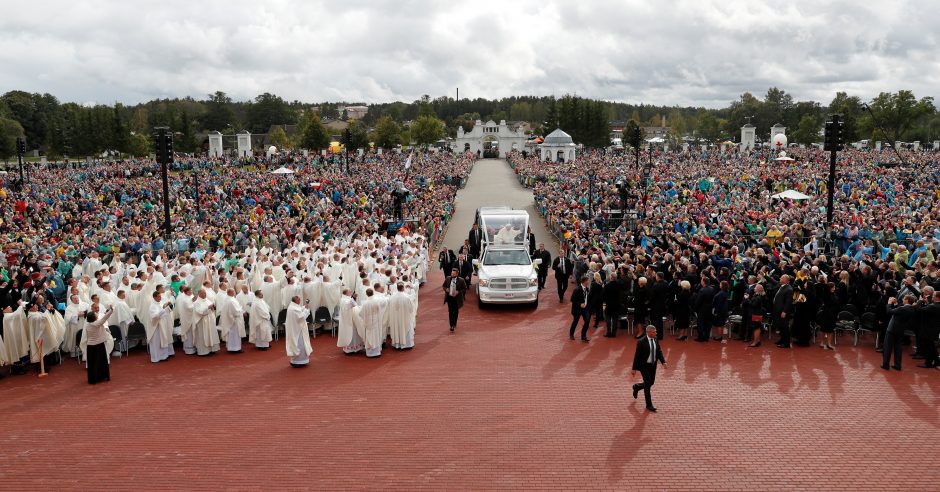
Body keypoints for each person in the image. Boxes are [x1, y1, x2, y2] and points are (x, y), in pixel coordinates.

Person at [632, 325, 667, 412]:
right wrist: (634, 368)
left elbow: (658, 351)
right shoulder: (641, 342)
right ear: (648, 332)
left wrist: (663, 362)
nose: (656, 333)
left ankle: (637, 387)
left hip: (653, 365)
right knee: (648, 384)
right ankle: (649, 404)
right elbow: (637, 356)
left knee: (651, 382)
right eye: (654, 332)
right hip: (644, 366)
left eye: (655, 331)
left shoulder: (655, 339)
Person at [883, 295, 917, 371]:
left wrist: (889, 303)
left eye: (904, 298)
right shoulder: (911, 309)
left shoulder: (902, 308)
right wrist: (895, 304)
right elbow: (898, 311)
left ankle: (885, 364)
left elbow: (889, 311)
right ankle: (897, 365)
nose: (902, 299)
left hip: (892, 329)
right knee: (898, 348)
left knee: (888, 347)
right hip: (901, 330)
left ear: (907, 300)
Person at [83, 305, 114, 384]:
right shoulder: (96, 324)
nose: (97, 314)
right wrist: (111, 309)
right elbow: (105, 318)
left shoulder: (87, 325)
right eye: (95, 314)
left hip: (90, 346)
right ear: (94, 318)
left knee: (93, 364)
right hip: (98, 346)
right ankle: (101, 377)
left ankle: (93, 379)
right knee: (101, 362)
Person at [147, 291, 175, 363]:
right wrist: (164, 309)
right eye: (159, 297)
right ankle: (156, 358)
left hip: (162, 325)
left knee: (163, 340)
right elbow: (155, 316)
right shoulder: (152, 306)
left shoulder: (160, 303)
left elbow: (164, 312)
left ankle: (163, 356)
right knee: (157, 342)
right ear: (154, 297)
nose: (160, 298)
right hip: (156, 327)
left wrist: (167, 307)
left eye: (160, 296)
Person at [387, 283, 416, 349]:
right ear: (403, 288)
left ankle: (397, 344)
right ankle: (407, 345)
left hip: (395, 318)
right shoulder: (407, 297)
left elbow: (389, 305)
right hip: (404, 318)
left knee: (397, 329)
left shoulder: (392, 297)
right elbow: (411, 309)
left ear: (397, 288)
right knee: (406, 328)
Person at [285, 295, 312, 367]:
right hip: (297, 331)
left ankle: (301, 360)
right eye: (299, 299)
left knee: (301, 345)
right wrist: (306, 310)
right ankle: (298, 362)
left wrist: (305, 307)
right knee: (300, 345)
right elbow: (301, 317)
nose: (300, 300)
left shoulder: (293, 306)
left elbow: (299, 310)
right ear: (296, 301)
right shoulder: (293, 309)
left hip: (297, 329)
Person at [915, 290, 940, 368]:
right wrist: (927, 303)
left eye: (933, 295)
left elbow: (919, 309)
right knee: (931, 346)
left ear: (937, 297)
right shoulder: (935, 305)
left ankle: (928, 363)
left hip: (928, 329)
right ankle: (936, 361)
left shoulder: (933, 306)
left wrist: (920, 301)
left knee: (928, 347)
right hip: (934, 329)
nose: (932, 296)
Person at [336, 289, 363, 354]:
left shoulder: (346, 298)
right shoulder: (345, 300)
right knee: (351, 334)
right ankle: (350, 349)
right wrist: (352, 299)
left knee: (354, 333)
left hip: (351, 319)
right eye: (350, 292)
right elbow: (350, 305)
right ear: (346, 293)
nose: (351, 292)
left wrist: (353, 297)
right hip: (349, 321)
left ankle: (355, 348)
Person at [773, 275, 794, 348]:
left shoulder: (789, 289)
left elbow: (788, 302)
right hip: (778, 310)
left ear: (786, 280)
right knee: (781, 327)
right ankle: (782, 340)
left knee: (785, 327)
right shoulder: (782, 286)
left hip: (783, 311)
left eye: (781, 278)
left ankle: (786, 343)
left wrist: (784, 311)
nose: (779, 278)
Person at [568, 275, 591, 342]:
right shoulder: (577, 290)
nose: (588, 281)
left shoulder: (587, 289)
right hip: (577, 309)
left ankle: (583, 336)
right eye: (587, 280)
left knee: (587, 321)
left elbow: (587, 298)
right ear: (584, 281)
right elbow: (572, 299)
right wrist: (580, 304)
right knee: (575, 322)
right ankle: (571, 334)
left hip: (585, 308)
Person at [603, 272, 621, 338]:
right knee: (615, 319)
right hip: (616, 304)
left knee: (607, 317)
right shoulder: (619, 285)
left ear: (611, 277)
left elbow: (603, 295)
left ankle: (608, 332)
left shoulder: (607, 285)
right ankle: (613, 333)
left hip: (609, 304)